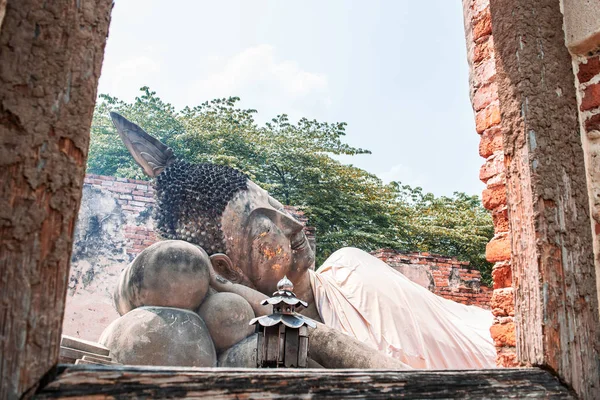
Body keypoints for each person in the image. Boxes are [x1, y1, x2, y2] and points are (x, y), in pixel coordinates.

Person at [111, 112, 497, 369]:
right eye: (266, 226)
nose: (293, 225)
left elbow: (421, 376)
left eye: (279, 207)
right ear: (226, 268)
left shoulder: (353, 275)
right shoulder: (236, 330)